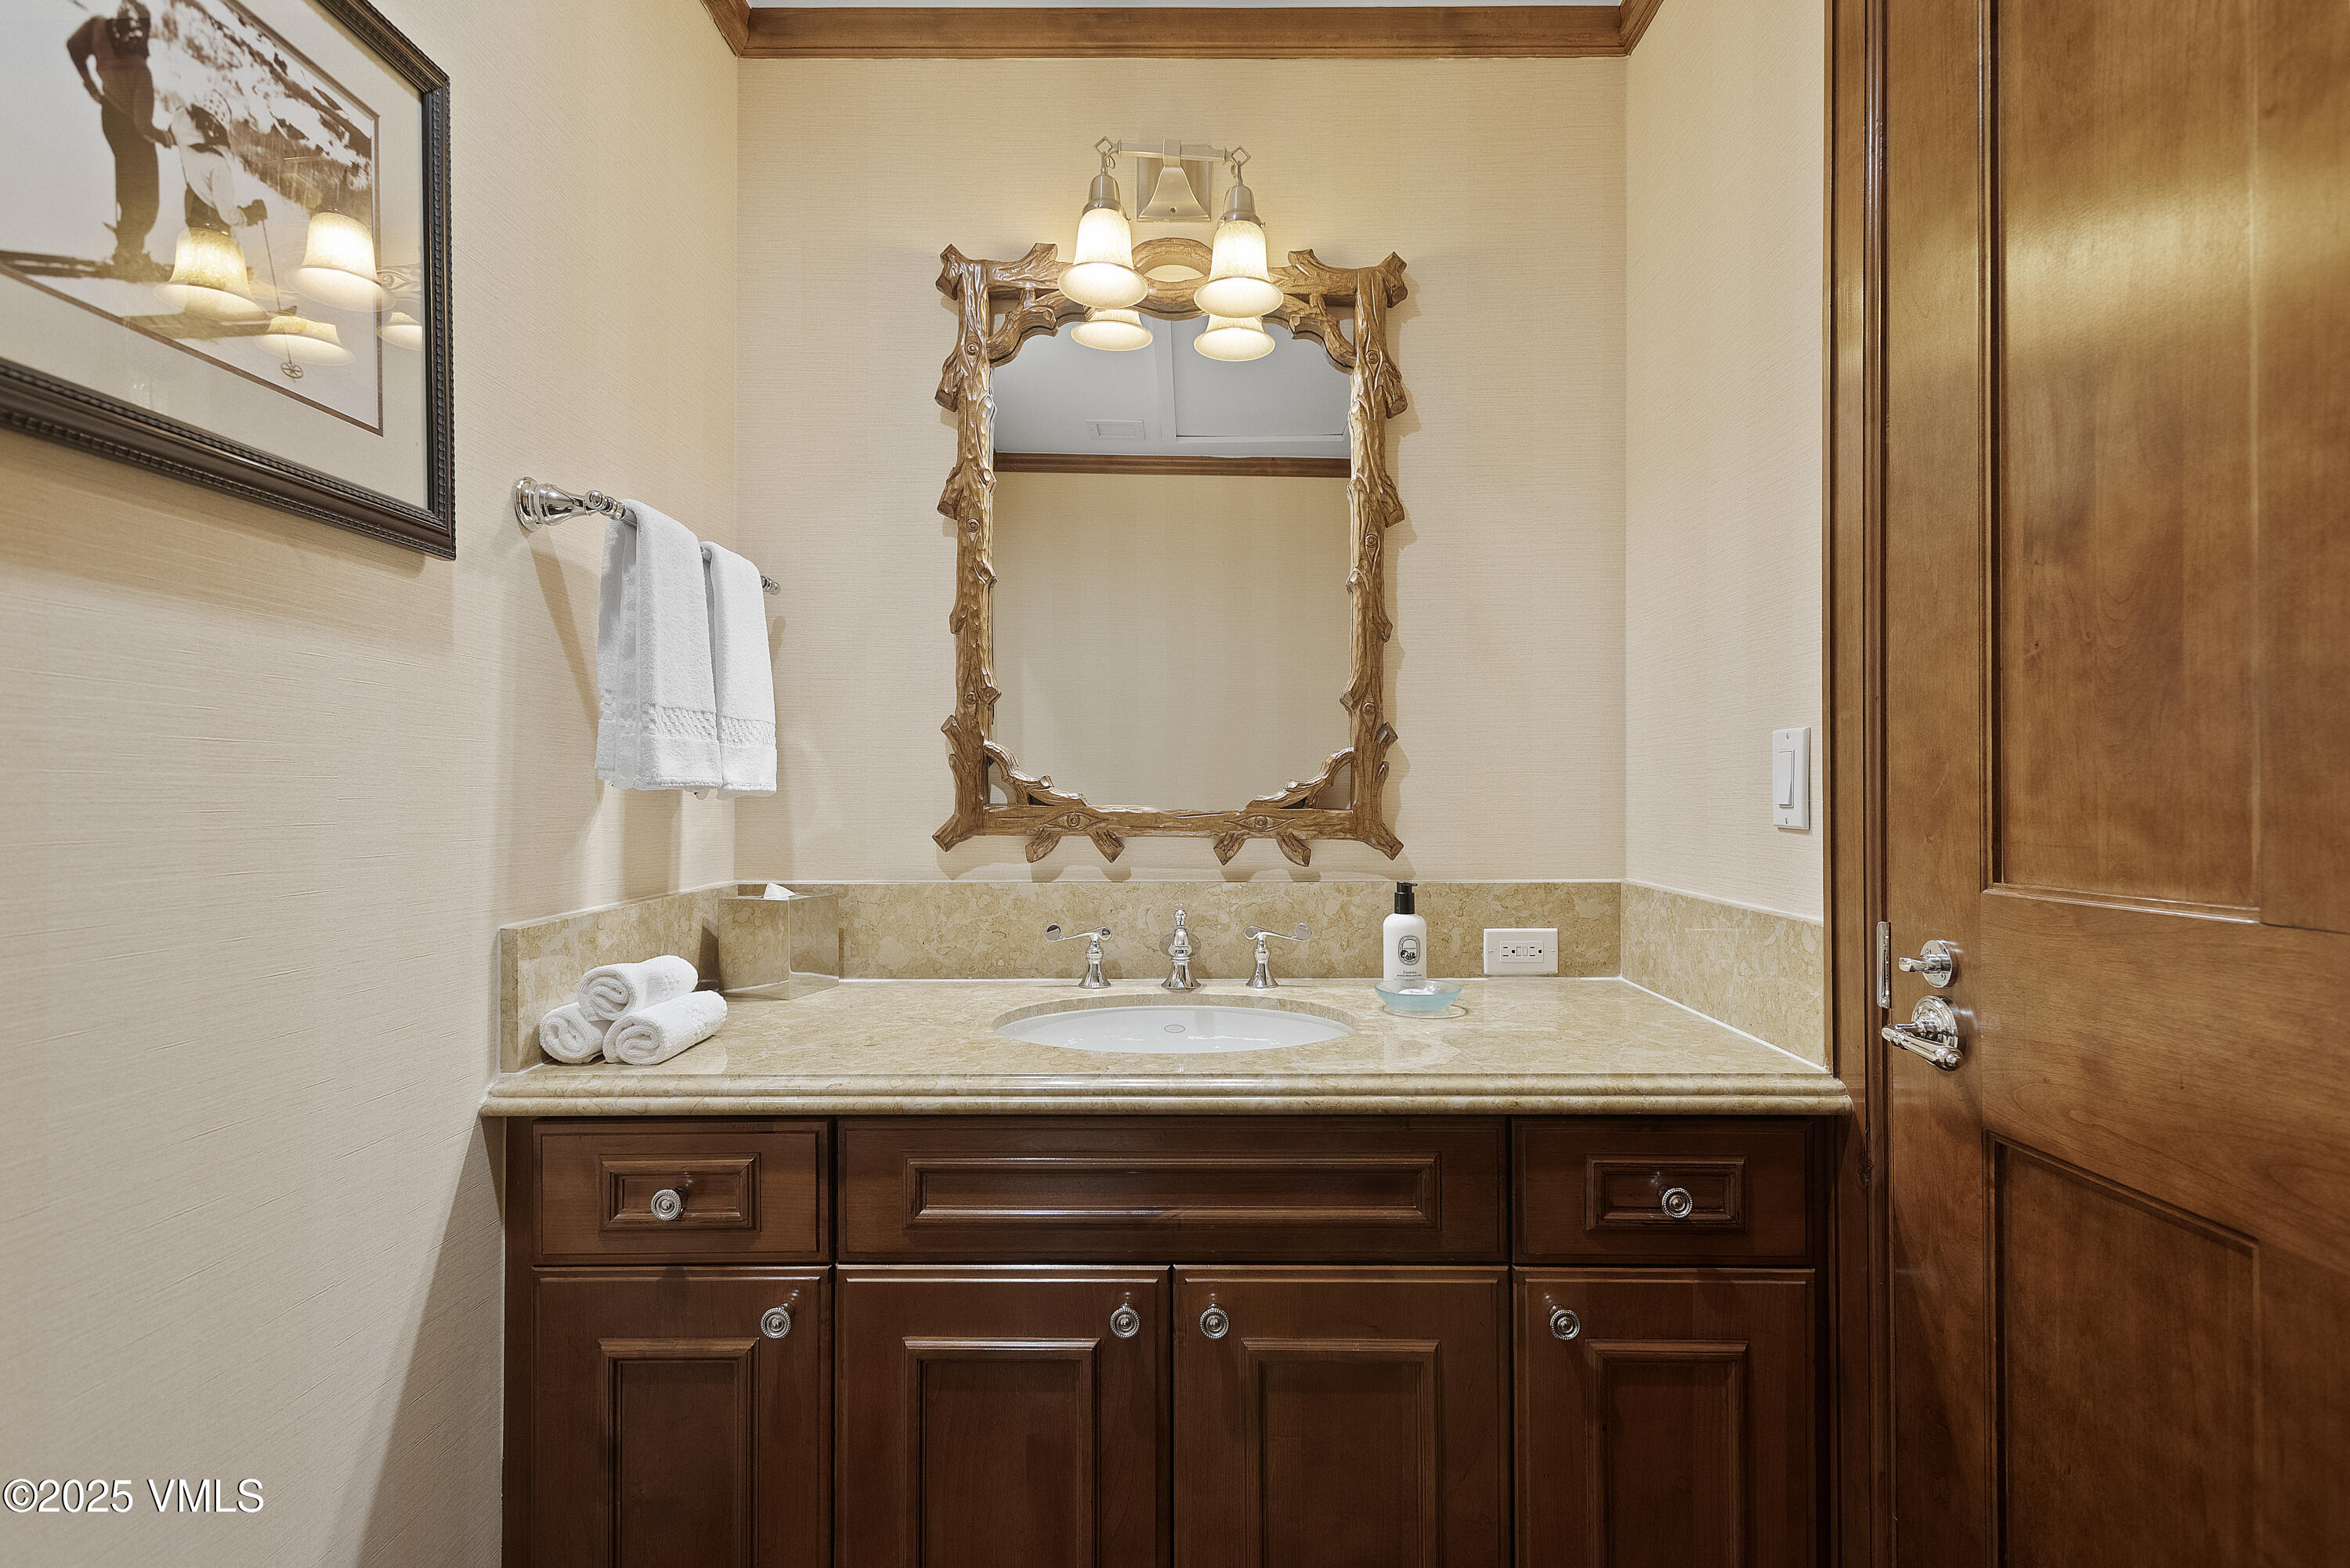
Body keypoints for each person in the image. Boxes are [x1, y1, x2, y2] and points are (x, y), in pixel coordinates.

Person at [67, 1, 175, 277]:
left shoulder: (99, 29)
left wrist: (91, 85)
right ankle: (130, 255)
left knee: (127, 182)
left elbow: (73, 46)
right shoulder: (140, 71)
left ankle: (126, 249)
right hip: (133, 130)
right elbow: (143, 125)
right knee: (146, 195)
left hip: (110, 118)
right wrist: (165, 136)